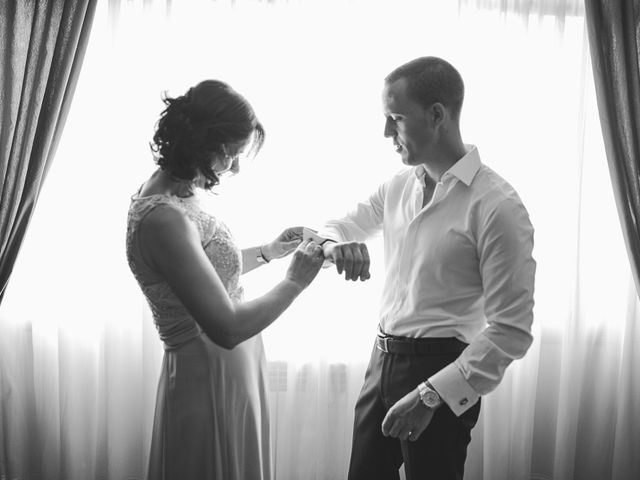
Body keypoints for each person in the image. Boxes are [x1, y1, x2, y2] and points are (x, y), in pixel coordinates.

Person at [317, 56, 536, 479]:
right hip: (380, 361)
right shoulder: (397, 185)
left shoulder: (498, 206)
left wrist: (432, 395)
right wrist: (335, 246)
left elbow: (512, 328)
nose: (385, 133)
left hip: (442, 368)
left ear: (437, 115)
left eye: (395, 118)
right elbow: (338, 226)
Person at [125, 79, 325, 480]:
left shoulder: (175, 193)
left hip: (231, 368)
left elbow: (201, 276)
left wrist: (268, 252)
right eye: (232, 154)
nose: (233, 167)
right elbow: (226, 327)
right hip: (208, 373)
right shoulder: (164, 218)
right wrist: (295, 282)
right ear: (204, 143)